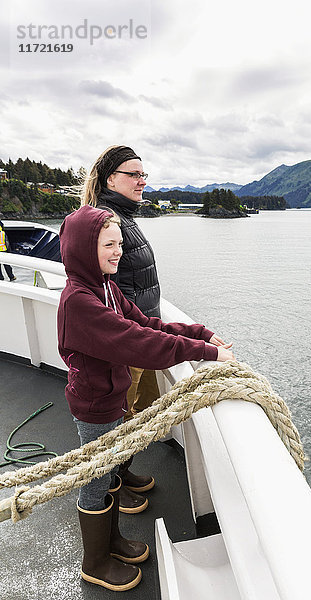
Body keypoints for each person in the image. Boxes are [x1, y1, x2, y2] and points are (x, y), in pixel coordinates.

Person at [57, 204, 234, 591]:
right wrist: (204, 353)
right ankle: (95, 560)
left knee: (111, 467)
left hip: (112, 396)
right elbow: (137, 342)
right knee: (96, 477)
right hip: (94, 405)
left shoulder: (106, 287)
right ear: (84, 249)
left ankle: (112, 540)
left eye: (120, 243)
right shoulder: (80, 302)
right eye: (108, 244)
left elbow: (146, 324)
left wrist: (199, 333)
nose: (118, 251)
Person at [81, 145, 162, 512]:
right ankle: (112, 483)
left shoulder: (122, 216)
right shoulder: (105, 220)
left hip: (140, 338)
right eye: (134, 174)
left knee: (138, 413)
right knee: (121, 417)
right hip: (126, 344)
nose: (142, 180)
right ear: (110, 178)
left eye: (144, 174)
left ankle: (122, 472)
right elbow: (103, 289)